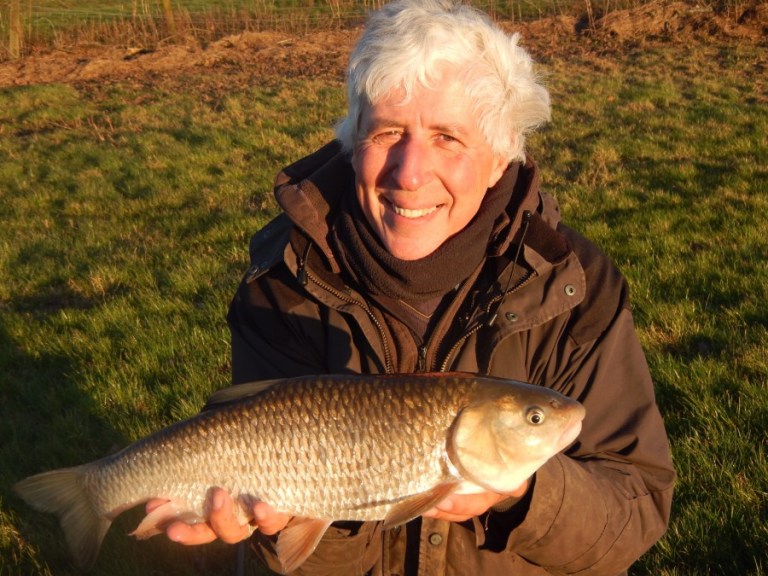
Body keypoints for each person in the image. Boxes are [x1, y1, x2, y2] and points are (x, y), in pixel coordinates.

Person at [147, 1, 675, 574]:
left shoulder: (573, 285)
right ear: (354, 142)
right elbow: (303, 559)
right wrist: (285, 527)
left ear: (501, 158)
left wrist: (521, 494)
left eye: (448, 137)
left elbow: (634, 512)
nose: (409, 172)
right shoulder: (283, 281)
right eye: (388, 132)